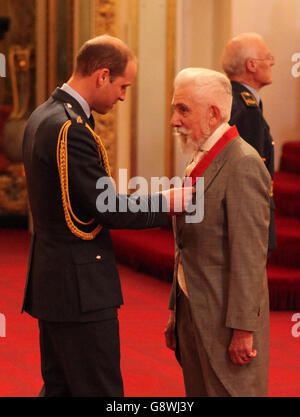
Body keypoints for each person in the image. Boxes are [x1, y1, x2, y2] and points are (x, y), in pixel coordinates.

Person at [22, 35, 192, 397]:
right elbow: (106, 207)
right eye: (122, 85)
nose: (122, 96)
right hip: (79, 287)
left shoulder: (44, 115)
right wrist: (165, 201)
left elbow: (87, 197)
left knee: (62, 388)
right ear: (101, 76)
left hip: (55, 282)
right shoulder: (70, 128)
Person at [164, 68, 271, 397]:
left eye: (183, 109)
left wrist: (243, 329)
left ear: (213, 114)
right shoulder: (199, 158)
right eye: (174, 109)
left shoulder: (243, 163)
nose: (173, 120)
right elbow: (187, 245)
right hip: (193, 314)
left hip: (227, 324)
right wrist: (175, 311)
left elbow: (249, 256)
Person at [222, 32, 276, 254]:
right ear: (251, 65)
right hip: (247, 219)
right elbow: (249, 176)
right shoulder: (247, 110)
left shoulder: (230, 100)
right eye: (268, 57)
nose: (272, 62)